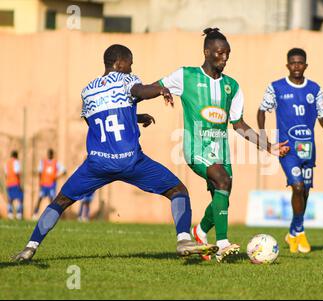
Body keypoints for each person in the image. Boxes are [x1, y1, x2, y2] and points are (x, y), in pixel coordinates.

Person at [12, 44, 218, 262]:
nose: (131, 67)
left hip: (97, 164)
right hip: (130, 160)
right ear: (119, 63)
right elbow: (140, 91)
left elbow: (103, 119)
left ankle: (30, 247)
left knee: (60, 201)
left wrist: (137, 117)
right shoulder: (125, 79)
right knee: (178, 190)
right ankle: (184, 239)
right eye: (130, 62)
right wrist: (160, 90)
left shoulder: (88, 90)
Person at [153, 28, 289, 262]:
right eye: (219, 53)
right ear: (206, 52)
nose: (224, 58)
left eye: (227, 54)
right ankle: (223, 243)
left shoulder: (232, 86)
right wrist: (158, 91)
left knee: (222, 194)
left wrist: (268, 146)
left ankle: (201, 231)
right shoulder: (187, 75)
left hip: (221, 149)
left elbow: (238, 124)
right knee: (222, 181)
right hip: (196, 147)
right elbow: (155, 85)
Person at [257, 48, 323, 254]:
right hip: (287, 149)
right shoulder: (276, 87)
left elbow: (322, 114)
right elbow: (261, 110)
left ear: (306, 65)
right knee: (298, 186)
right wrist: (263, 135)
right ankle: (299, 232)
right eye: (293, 63)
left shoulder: (315, 89)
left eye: (300, 63)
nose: (296, 67)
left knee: (306, 192)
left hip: (308, 149)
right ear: (287, 65)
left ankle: (293, 232)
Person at [32, 149, 66, 220]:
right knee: (40, 199)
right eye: (49, 154)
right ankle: (35, 213)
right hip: (44, 184)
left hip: (51, 185)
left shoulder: (55, 163)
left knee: (51, 200)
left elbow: (63, 170)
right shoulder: (43, 162)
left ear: (52, 155)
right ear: (48, 154)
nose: (50, 155)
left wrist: (57, 176)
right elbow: (39, 172)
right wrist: (40, 182)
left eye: (51, 154)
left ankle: (52, 215)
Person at [4, 150, 24, 220]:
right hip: (15, 183)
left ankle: (10, 214)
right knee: (20, 198)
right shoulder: (16, 162)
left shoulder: (7, 163)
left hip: (9, 183)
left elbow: (6, 174)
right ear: (16, 156)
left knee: (10, 199)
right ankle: (19, 214)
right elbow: (17, 172)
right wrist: (20, 184)